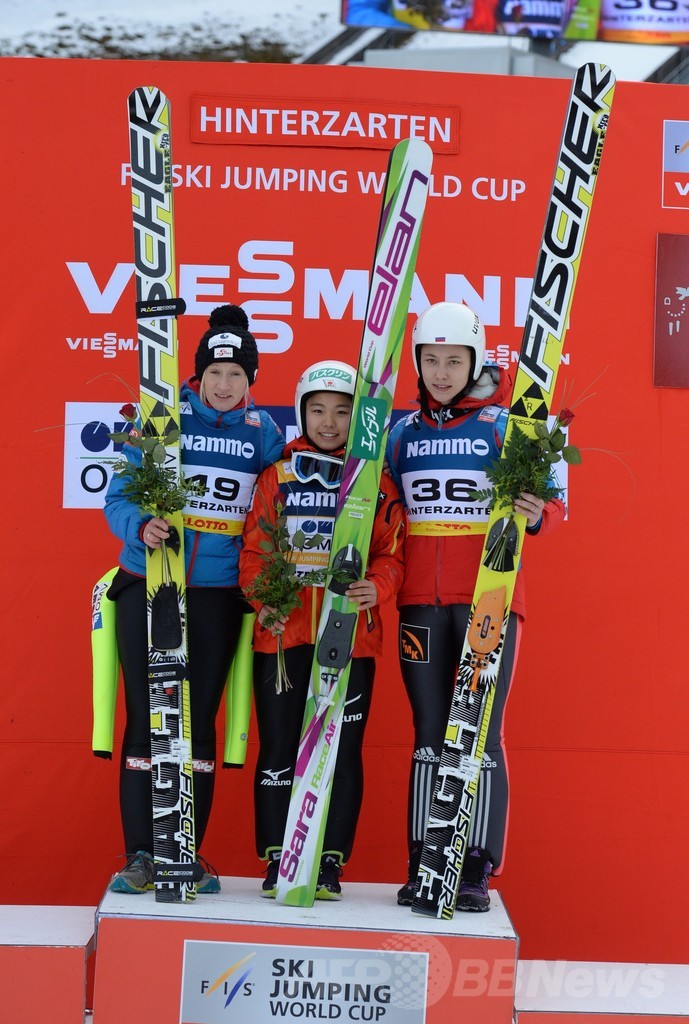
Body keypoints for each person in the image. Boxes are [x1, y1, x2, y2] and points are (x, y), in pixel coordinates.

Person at [386, 301, 565, 911]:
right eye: (431, 360)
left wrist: (537, 513)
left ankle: (474, 866)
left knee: (479, 731)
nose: (441, 373)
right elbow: (383, 512)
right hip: (419, 603)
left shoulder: (504, 425)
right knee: (428, 732)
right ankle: (425, 858)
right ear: (418, 363)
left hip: (488, 599)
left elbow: (553, 497)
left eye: (454, 361)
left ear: (475, 362)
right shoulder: (402, 435)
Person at [103, 303, 284, 894]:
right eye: (214, 373)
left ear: (250, 379)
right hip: (150, 580)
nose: (224, 385)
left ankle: (184, 852)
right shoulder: (163, 420)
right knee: (147, 717)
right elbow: (118, 497)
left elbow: (274, 511)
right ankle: (141, 855)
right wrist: (142, 526)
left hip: (217, 593)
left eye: (236, 375)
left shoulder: (264, 434)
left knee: (198, 722)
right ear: (198, 375)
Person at [239, 360, 405, 900]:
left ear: (357, 419)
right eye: (317, 410)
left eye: (341, 411)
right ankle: (278, 858)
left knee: (342, 751)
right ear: (301, 412)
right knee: (279, 748)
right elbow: (254, 551)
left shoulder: (375, 480)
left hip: (349, 638)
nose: (329, 422)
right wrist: (264, 600)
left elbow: (392, 552)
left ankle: (329, 861)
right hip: (283, 638)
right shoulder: (277, 478)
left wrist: (377, 586)